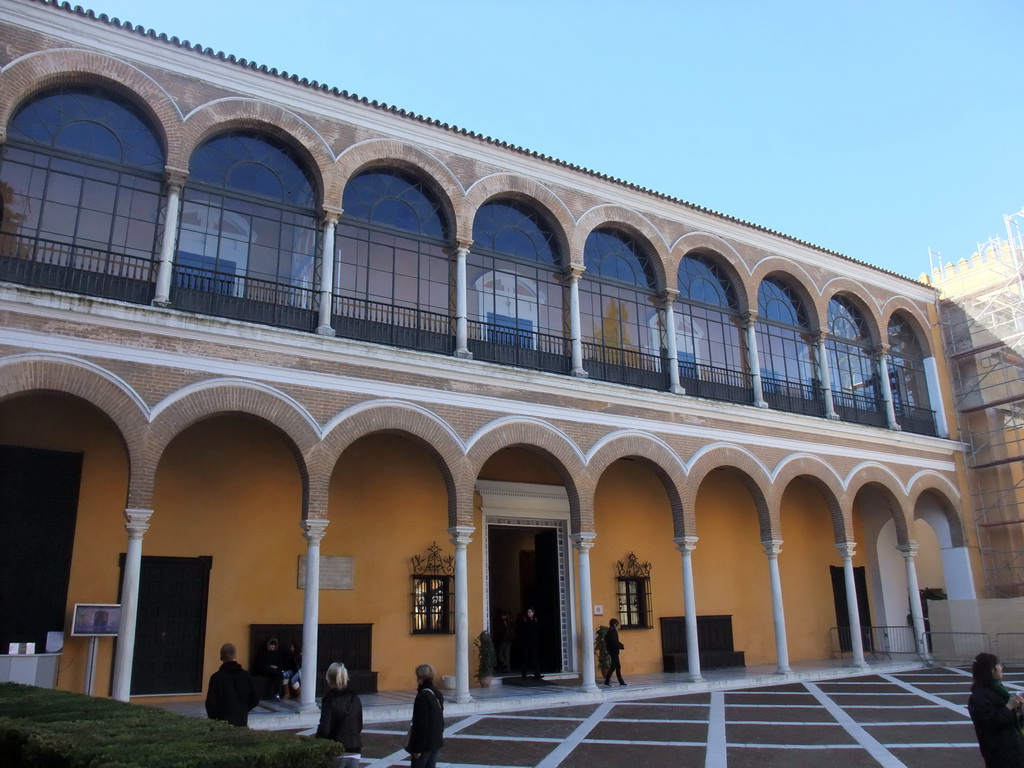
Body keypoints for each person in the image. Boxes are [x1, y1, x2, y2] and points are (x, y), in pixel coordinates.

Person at [967, 652, 1024, 767]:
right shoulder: (978, 697)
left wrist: (1018, 707)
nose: (1001, 668)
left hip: (1014, 749)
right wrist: (1009, 706)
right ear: (991, 670)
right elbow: (992, 722)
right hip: (999, 753)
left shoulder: (999, 690)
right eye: (998, 665)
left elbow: (1014, 720)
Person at [316, 662, 363, 768]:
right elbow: (359, 726)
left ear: (328, 678)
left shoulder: (329, 699)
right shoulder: (355, 698)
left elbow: (324, 728)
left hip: (336, 749)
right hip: (355, 749)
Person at [205, 642, 260, 727]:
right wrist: (243, 709)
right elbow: (255, 699)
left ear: (221, 657)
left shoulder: (216, 677)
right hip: (241, 720)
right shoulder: (246, 676)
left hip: (221, 723)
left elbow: (210, 703)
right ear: (235, 655)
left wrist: (215, 718)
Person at [406, 663, 444, 768]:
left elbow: (421, 723)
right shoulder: (436, 693)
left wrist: (417, 748)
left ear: (420, 677)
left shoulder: (423, 696)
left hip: (424, 743)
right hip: (435, 740)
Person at [518, 607, 541, 679]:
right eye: (528, 612)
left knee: (534, 658)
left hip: (533, 642)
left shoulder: (535, 620)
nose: (529, 613)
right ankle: (523, 675)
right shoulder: (524, 620)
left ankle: (537, 675)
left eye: (530, 612)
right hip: (525, 642)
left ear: (533, 613)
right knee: (525, 658)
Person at [603, 618, 627, 687]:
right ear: (614, 625)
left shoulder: (610, 632)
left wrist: (620, 645)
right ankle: (607, 682)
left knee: (617, 667)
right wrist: (620, 646)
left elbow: (613, 642)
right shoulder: (612, 633)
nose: (617, 627)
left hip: (613, 651)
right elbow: (614, 642)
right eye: (617, 625)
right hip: (614, 652)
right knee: (613, 667)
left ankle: (621, 682)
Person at [494, 610, 514, 674]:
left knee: (500, 654)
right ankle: (508, 668)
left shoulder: (503, 622)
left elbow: (502, 631)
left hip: (504, 640)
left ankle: (505, 664)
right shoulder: (510, 621)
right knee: (507, 654)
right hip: (509, 640)